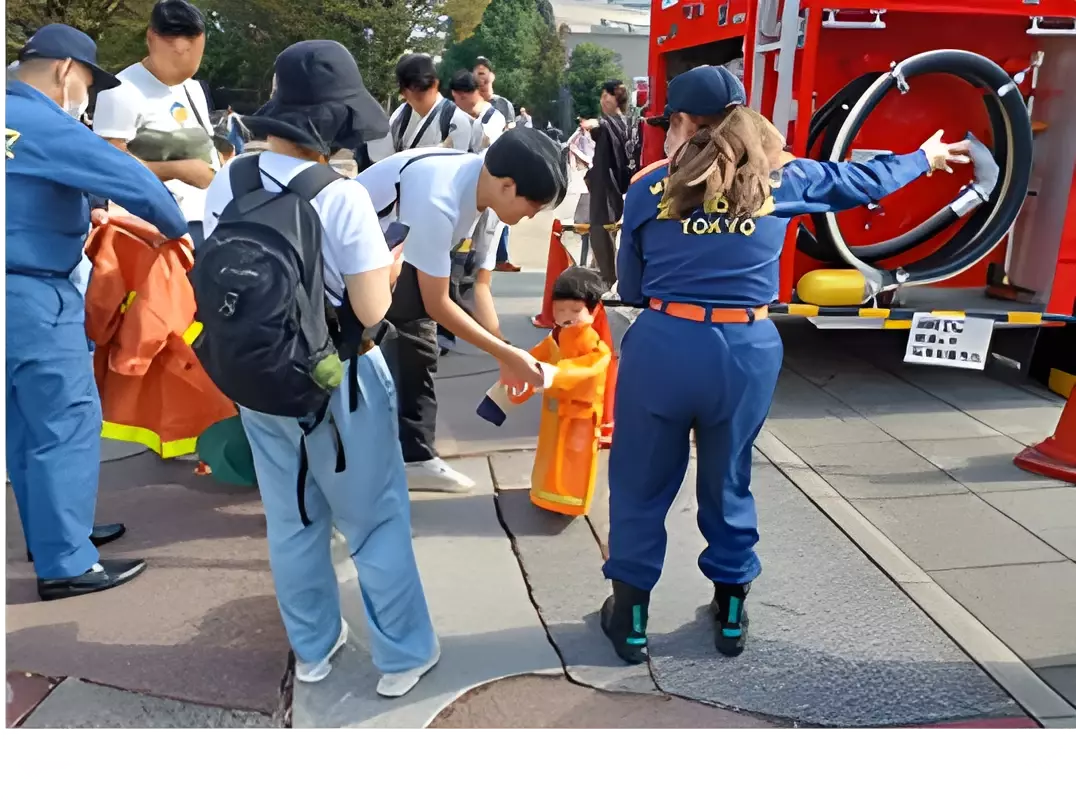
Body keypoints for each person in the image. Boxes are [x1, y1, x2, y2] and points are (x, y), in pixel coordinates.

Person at [598, 65, 971, 664]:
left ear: (686, 122)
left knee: (641, 483)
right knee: (728, 477)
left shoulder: (649, 188)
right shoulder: (781, 177)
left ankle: (632, 618)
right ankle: (731, 611)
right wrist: (923, 159)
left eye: (669, 123)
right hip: (747, 351)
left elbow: (634, 288)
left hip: (666, 343)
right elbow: (861, 180)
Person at [201, 40, 439, 696]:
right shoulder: (341, 197)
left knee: (292, 516)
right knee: (374, 521)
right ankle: (401, 659)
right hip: (342, 381)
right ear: (333, 119)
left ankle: (312, 648)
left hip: (258, 377)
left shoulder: (229, 180)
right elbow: (370, 307)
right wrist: (388, 268)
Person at [6, 23, 189, 601]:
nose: (85, 92)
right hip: (31, 293)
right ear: (65, 71)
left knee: (23, 420)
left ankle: (54, 531)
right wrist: (179, 232)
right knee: (65, 420)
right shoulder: (46, 122)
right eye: (87, 79)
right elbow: (144, 189)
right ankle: (67, 563)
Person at [355, 128, 566, 492]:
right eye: (532, 207)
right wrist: (508, 354)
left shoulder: (491, 196)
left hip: (395, 259)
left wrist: (504, 352)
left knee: (419, 347)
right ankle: (338, 479)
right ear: (508, 187)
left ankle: (416, 458)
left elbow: (479, 286)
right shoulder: (437, 197)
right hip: (346, 271)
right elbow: (437, 303)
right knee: (356, 365)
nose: (531, 217)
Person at [93, 0, 217, 248]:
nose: (187, 66)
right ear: (152, 38)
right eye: (177, 54)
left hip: (208, 221)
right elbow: (109, 168)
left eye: (194, 55)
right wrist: (178, 169)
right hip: (157, 231)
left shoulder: (193, 87)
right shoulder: (120, 91)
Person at [366, 53, 475, 161]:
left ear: (435, 84)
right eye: (412, 97)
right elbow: (385, 160)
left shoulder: (455, 121)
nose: (419, 103)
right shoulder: (400, 116)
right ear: (404, 94)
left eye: (421, 96)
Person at [584, 79, 632, 288]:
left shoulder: (610, 124)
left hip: (607, 184)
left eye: (607, 96)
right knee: (608, 232)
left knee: (601, 231)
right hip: (616, 183)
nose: (603, 101)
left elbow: (600, 127)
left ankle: (608, 279)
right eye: (602, 97)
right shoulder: (626, 123)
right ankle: (608, 276)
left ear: (618, 98)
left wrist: (596, 125)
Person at [474, 56, 519, 273]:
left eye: (483, 74)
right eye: (476, 75)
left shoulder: (503, 105)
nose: (480, 79)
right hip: (476, 164)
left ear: (492, 76)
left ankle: (501, 256)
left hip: (500, 163)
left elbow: (510, 130)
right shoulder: (471, 103)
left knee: (502, 210)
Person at [448, 69, 507, 154]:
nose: (455, 103)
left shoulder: (494, 120)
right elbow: (449, 144)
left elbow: (489, 156)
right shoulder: (459, 117)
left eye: (455, 98)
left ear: (463, 96)